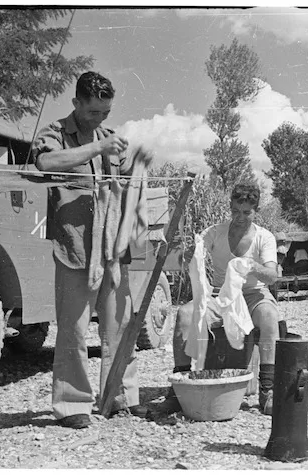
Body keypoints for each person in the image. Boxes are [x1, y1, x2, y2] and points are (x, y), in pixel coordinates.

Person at [32, 71, 149, 429]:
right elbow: (45, 163)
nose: (100, 119)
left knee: (118, 327)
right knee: (73, 331)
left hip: (111, 252)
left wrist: (138, 162)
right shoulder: (54, 135)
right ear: (76, 103)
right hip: (74, 248)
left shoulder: (110, 138)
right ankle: (72, 406)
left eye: (105, 113)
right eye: (93, 112)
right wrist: (97, 148)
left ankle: (119, 396)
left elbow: (129, 179)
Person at [161, 182, 281, 415]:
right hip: (220, 293)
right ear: (230, 207)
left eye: (246, 213)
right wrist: (188, 255)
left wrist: (251, 266)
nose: (240, 217)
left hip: (252, 294)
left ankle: (268, 388)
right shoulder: (215, 232)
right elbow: (195, 254)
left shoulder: (264, 238)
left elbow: (271, 276)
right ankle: (180, 387)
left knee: (269, 316)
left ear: (255, 211)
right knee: (185, 315)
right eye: (236, 211)